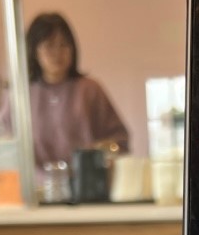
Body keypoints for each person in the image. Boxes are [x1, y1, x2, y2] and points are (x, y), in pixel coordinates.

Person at [24, 13, 129, 171]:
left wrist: (98, 154)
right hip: (37, 188)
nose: (58, 52)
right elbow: (5, 144)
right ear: (34, 51)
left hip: (87, 186)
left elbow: (119, 139)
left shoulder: (90, 90)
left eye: (64, 45)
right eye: (49, 45)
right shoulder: (22, 95)